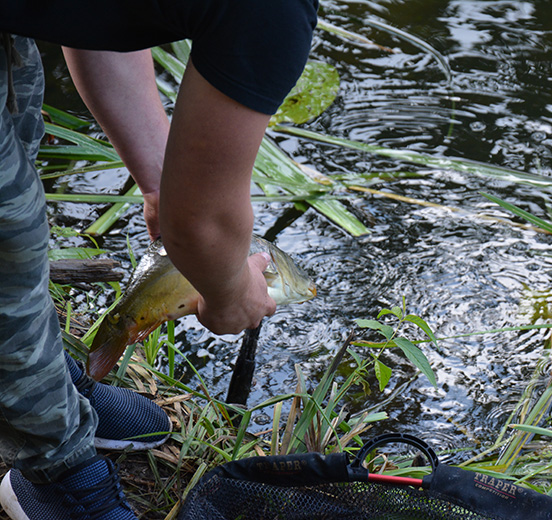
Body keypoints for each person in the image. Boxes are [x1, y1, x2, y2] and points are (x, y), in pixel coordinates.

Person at [0, 1, 318, 518]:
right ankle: (58, 477)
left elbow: (96, 20)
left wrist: (158, 179)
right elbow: (203, 222)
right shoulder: (275, 11)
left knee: (20, 200)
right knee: (6, 249)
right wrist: (228, 294)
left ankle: (44, 391)